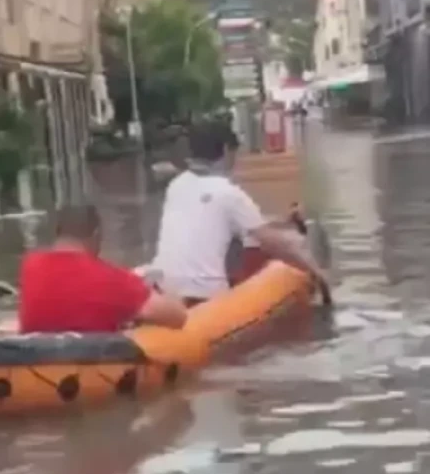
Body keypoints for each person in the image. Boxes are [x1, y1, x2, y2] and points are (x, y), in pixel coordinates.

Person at [151, 120, 327, 305]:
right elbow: (271, 241)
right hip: (205, 294)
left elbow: (214, 221)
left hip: (165, 289)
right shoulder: (230, 193)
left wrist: (282, 221)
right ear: (227, 150)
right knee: (292, 241)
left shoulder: (177, 185)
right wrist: (318, 272)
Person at [18, 205, 188, 333]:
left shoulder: (30, 266)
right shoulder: (113, 279)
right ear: (96, 234)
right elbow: (177, 318)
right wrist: (172, 296)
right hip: (93, 361)